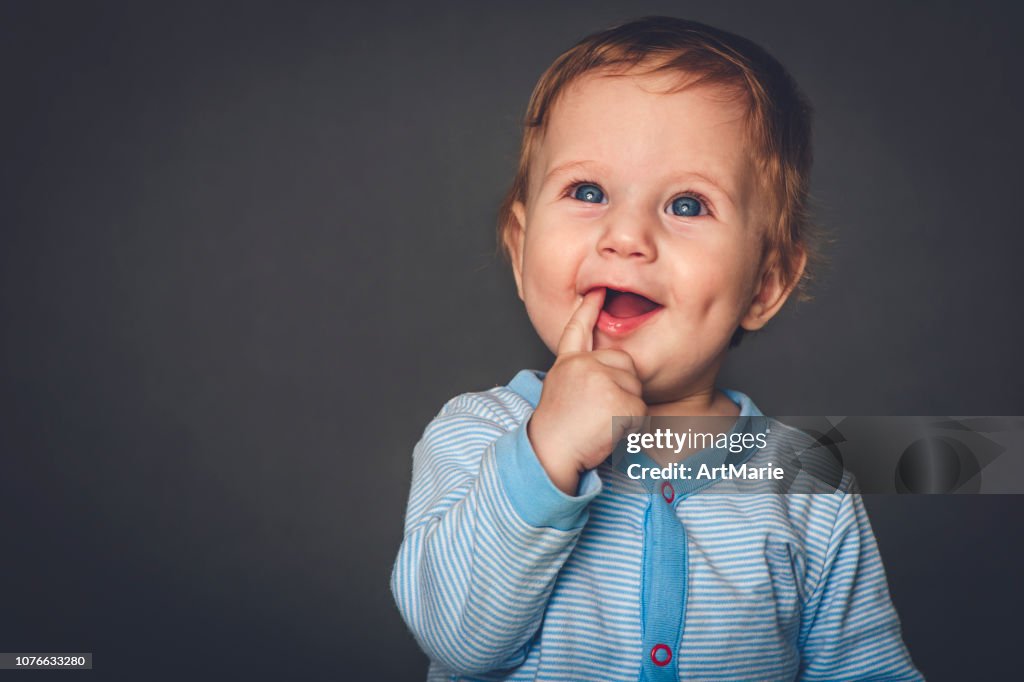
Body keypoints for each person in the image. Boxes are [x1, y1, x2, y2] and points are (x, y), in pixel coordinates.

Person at [391, 16, 924, 681]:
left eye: (687, 204)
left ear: (766, 283)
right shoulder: (478, 436)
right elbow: (457, 637)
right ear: (521, 249)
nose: (626, 235)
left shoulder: (809, 480)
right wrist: (548, 451)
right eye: (588, 192)